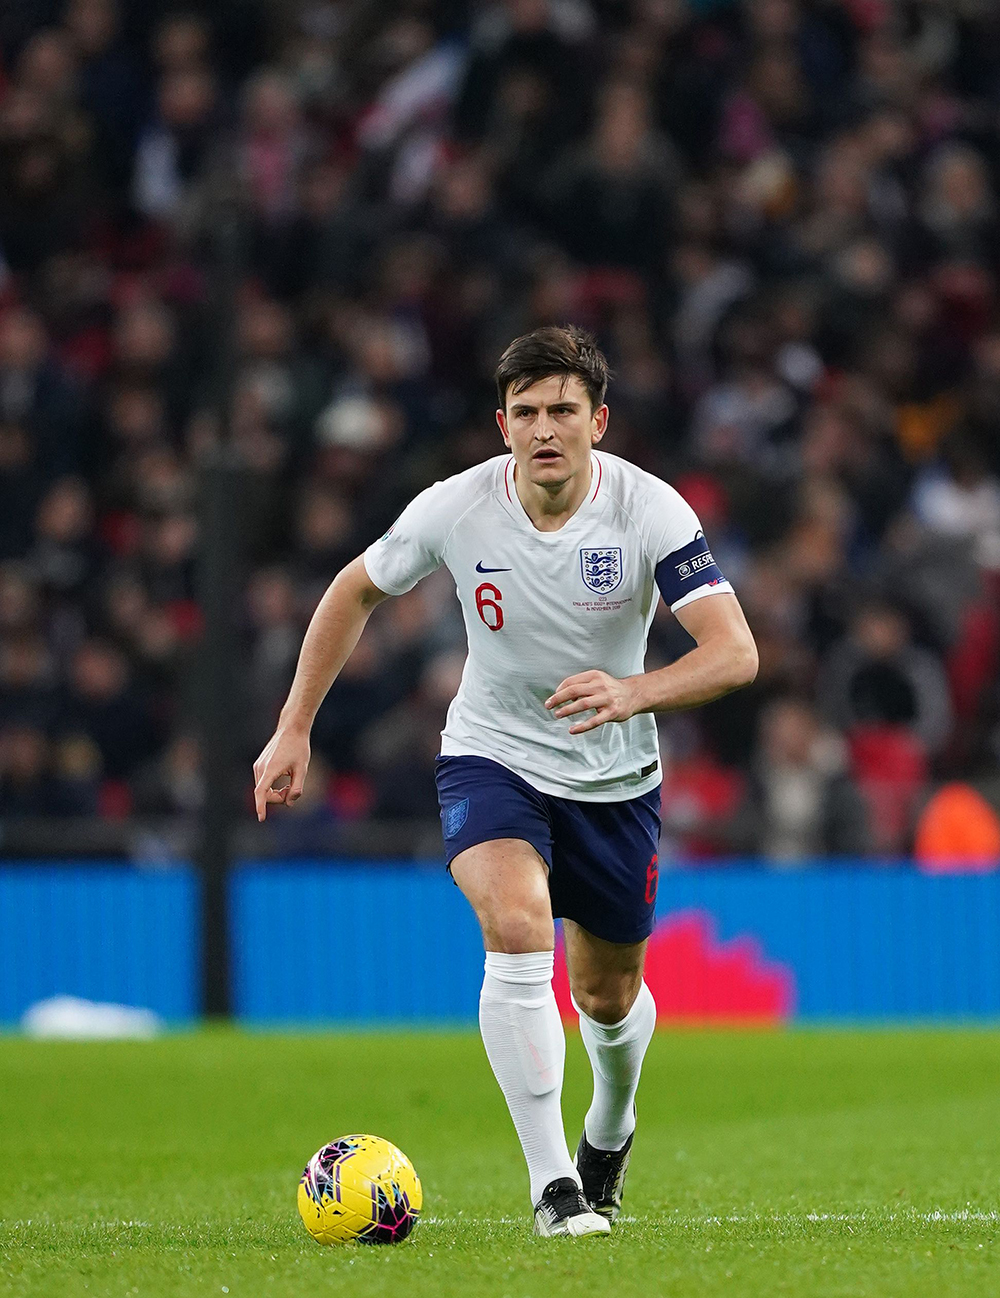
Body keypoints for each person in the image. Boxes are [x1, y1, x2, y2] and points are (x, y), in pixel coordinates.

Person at [253, 326, 758, 1237]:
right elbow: (351, 590)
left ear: (598, 421)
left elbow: (735, 654)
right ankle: (555, 1187)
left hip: (615, 777)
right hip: (492, 753)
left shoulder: (650, 511)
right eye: (525, 413)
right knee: (517, 923)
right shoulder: (456, 508)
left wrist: (632, 690)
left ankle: (612, 1121)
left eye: (563, 410)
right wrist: (294, 726)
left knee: (606, 997)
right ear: (503, 425)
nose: (543, 430)